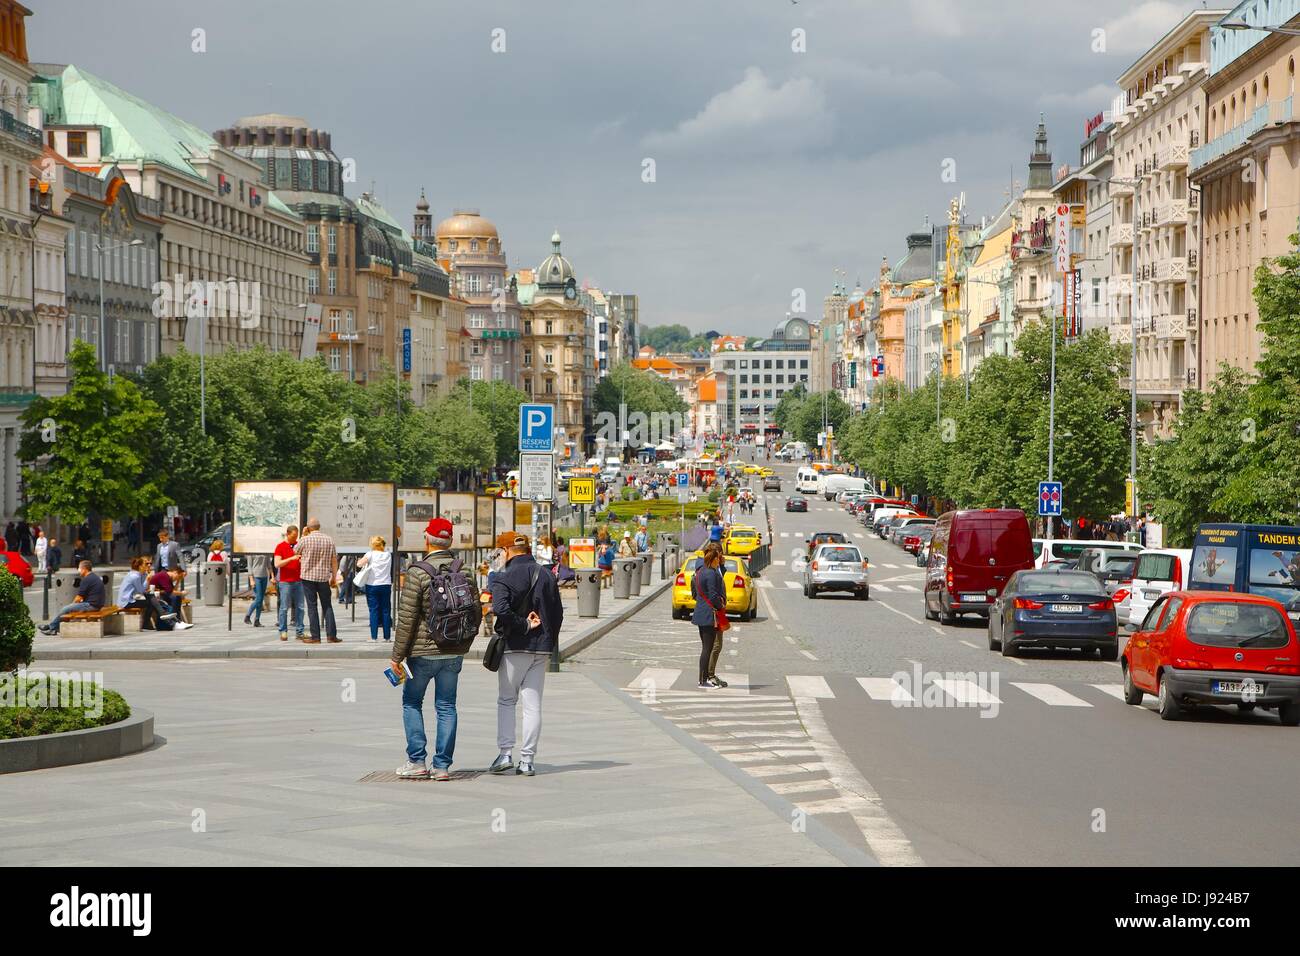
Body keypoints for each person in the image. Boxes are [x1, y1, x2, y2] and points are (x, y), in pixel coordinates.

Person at [392, 517, 477, 780]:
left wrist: (397, 656)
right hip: (453, 652)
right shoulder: (466, 571)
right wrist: (463, 643)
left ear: (426, 539)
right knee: (447, 706)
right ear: (450, 541)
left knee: (411, 702)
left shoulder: (417, 572)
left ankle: (417, 761)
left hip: (422, 654)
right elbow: (476, 612)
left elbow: (406, 619)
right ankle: (442, 766)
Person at [489, 533, 564, 777]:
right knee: (533, 705)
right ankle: (528, 760)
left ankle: (505, 754)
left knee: (507, 700)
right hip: (540, 648)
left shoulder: (502, 576)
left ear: (506, 550)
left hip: (514, 646)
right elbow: (557, 612)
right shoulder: (546, 573)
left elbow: (500, 608)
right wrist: (548, 640)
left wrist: (522, 625)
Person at [295, 517, 339, 644]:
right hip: (324, 577)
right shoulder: (329, 539)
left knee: (312, 606)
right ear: (319, 527)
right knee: (327, 605)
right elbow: (334, 560)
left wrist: (303, 535)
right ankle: (331, 636)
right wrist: (334, 577)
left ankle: (316, 637)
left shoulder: (305, 539)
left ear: (308, 527)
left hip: (308, 577)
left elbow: (295, 551)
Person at [691, 543, 729, 689]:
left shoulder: (701, 571)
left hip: (701, 613)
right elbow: (713, 595)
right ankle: (703, 680)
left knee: (706, 647)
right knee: (707, 648)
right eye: (719, 558)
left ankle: (704, 678)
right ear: (714, 558)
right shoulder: (711, 573)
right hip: (709, 614)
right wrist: (720, 605)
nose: (720, 560)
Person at [39, 560, 105, 635]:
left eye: (79, 568)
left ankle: (52, 628)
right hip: (97, 605)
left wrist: (72, 605)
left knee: (66, 609)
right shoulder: (94, 577)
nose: (78, 570)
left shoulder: (87, 579)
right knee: (68, 609)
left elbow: (79, 597)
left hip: (92, 606)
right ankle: (52, 627)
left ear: (85, 569)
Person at [357, 535, 394, 641]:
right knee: (386, 611)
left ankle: (374, 637)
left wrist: (362, 561)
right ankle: (387, 637)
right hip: (386, 585)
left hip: (372, 585)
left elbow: (359, 564)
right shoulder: (388, 555)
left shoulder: (370, 554)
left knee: (374, 610)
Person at [274, 525, 306, 642]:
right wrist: (291, 559)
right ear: (287, 534)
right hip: (285, 581)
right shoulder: (280, 547)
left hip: (299, 580)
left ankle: (300, 631)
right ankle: (283, 631)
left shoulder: (298, 545)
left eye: (296, 536)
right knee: (284, 607)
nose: (295, 539)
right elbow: (277, 564)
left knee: (300, 607)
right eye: (293, 536)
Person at [244, 553, 270, 627]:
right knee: (258, 599)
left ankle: (257, 620)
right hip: (256, 577)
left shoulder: (265, 551)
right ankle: (248, 616)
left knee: (261, 599)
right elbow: (249, 566)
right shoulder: (251, 552)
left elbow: (269, 565)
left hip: (264, 577)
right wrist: (251, 579)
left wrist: (272, 576)